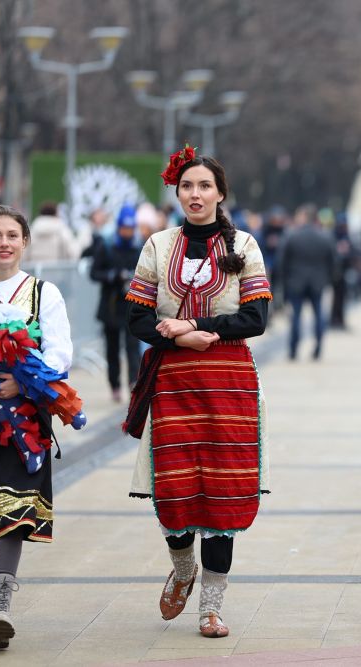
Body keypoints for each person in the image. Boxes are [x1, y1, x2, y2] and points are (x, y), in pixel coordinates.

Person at [125, 148, 272, 638]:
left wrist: (195, 324)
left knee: (223, 496)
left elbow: (256, 319)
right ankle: (183, 566)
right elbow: (136, 315)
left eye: (205, 186)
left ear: (220, 193)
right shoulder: (157, 246)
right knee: (176, 489)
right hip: (174, 383)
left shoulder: (245, 246)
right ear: (177, 192)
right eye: (188, 186)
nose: (195, 194)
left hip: (228, 385)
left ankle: (211, 606)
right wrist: (178, 337)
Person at [0, 204, 76, 649]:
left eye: (11, 235)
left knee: (13, 505)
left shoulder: (44, 293)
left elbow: (60, 354)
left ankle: (0, 604)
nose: (3, 243)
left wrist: (19, 378)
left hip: (23, 422)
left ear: (25, 242)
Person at [90, 205, 142, 402]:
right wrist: (113, 276)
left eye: (131, 228)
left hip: (132, 305)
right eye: (124, 228)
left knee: (132, 347)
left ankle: (133, 383)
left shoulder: (139, 246)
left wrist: (133, 279)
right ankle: (115, 385)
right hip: (110, 305)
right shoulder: (107, 245)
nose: (127, 232)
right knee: (112, 349)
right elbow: (94, 273)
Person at [279, 204, 336, 360]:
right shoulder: (325, 236)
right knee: (319, 316)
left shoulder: (291, 235)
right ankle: (318, 347)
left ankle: (293, 349)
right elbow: (333, 261)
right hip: (318, 282)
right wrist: (327, 280)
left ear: (303, 216)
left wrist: (284, 282)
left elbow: (282, 262)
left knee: (296, 317)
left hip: (295, 282)